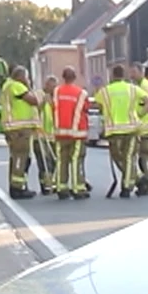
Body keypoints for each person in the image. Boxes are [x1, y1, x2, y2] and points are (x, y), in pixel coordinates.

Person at [94, 64, 148, 199]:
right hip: (132, 129)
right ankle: (138, 179)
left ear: (112, 75)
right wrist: (140, 114)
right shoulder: (132, 89)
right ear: (123, 75)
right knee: (128, 158)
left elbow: (96, 105)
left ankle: (127, 187)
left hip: (114, 131)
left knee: (119, 158)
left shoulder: (105, 91)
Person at [0, 65, 43, 199]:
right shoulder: (17, 86)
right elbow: (34, 101)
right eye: (26, 76)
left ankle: (17, 185)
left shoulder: (8, 85)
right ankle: (17, 188)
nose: (28, 79)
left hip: (13, 128)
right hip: (19, 129)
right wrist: (30, 87)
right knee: (21, 157)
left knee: (17, 157)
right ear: (20, 76)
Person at [51, 67, 91, 200]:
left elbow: (53, 107)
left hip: (60, 132)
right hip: (77, 133)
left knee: (61, 160)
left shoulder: (56, 92)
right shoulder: (81, 93)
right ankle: (78, 188)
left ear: (63, 77)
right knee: (76, 159)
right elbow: (86, 110)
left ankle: (61, 187)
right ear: (74, 77)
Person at [34, 75, 61, 196]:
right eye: (52, 86)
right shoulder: (39, 94)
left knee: (54, 162)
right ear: (46, 85)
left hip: (52, 135)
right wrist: (43, 102)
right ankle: (44, 185)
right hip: (39, 135)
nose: (54, 89)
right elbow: (35, 110)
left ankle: (52, 183)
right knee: (44, 162)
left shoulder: (54, 98)